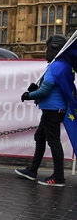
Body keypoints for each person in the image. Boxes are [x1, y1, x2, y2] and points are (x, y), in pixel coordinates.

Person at [16, 34, 69, 186]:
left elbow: (45, 91)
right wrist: (36, 88)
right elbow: (52, 87)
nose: (46, 50)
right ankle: (32, 170)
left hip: (52, 110)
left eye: (47, 47)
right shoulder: (63, 65)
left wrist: (29, 95)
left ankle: (58, 177)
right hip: (54, 109)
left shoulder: (55, 66)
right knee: (40, 137)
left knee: (53, 142)